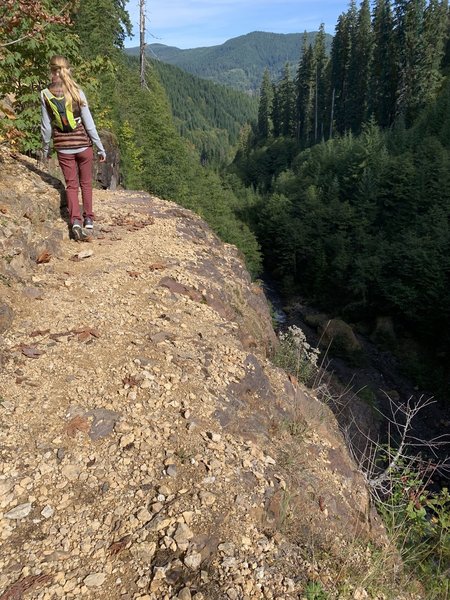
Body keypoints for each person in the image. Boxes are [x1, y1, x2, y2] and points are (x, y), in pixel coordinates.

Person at [40, 55, 106, 240]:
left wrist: (46, 149)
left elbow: (46, 127)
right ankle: (89, 219)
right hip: (83, 146)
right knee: (86, 183)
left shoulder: (45, 94)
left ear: (52, 71)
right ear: (67, 69)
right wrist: (100, 147)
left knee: (71, 185)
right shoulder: (77, 92)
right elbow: (89, 124)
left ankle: (75, 220)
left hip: (63, 147)